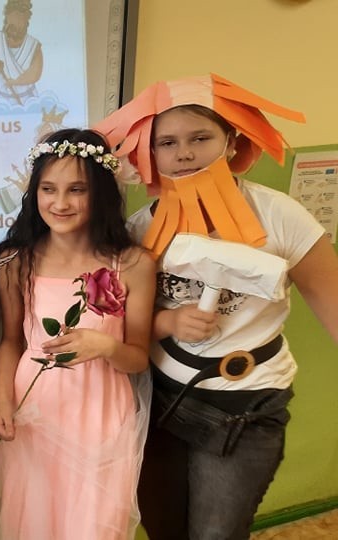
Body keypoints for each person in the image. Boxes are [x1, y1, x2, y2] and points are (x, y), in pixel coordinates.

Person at [95, 74, 338, 539]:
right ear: (150, 153)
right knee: (164, 528)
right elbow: (120, 325)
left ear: (231, 143)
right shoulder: (137, 229)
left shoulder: (281, 217)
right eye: (167, 143)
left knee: (217, 534)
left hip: (246, 405)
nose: (184, 153)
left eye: (200, 138)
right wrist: (167, 320)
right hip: (159, 398)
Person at [0, 128, 155, 539]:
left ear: (100, 193)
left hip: (99, 413)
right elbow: (12, 341)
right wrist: (2, 401)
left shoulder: (132, 264)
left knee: (91, 525)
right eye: (48, 189)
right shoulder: (15, 259)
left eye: (76, 190)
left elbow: (138, 357)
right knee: (34, 521)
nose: (60, 203)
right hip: (35, 409)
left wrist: (106, 345)